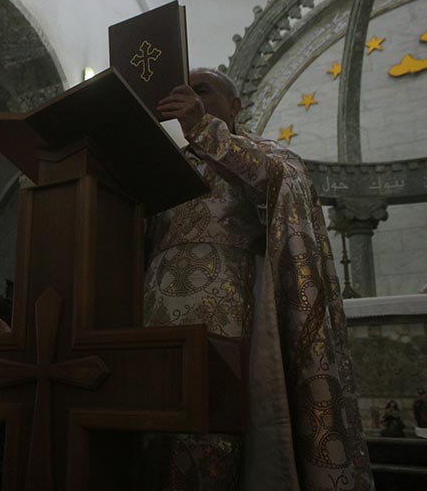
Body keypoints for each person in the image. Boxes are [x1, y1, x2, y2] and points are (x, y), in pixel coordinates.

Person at [142, 69, 373, 491]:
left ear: (235, 106)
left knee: (224, 431)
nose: (189, 96)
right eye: (182, 89)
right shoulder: (166, 166)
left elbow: (280, 187)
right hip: (156, 323)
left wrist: (204, 131)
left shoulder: (267, 153)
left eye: (201, 90)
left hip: (235, 317)